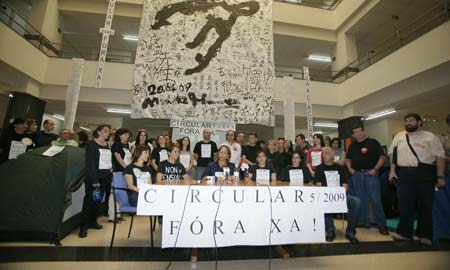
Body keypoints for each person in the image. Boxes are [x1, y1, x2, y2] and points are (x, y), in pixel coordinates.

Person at [389, 113, 446, 245]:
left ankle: (425, 234)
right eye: (406, 120)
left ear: (420, 122)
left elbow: (440, 157)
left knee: (424, 205)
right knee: (404, 205)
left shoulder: (430, 137)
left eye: (412, 120)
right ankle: (404, 233)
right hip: (403, 173)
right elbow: (393, 154)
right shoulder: (399, 136)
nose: (408, 122)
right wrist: (392, 171)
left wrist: (440, 176)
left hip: (424, 173)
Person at [346, 125, 389, 235]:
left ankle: (382, 225)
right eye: (356, 132)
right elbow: (348, 159)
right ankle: (364, 222)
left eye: (360, 131)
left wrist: (375, 169)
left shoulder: (373, 142)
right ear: (353, 135)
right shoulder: (352, 145)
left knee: (375, 200)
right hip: (357, 175)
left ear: (363, 132)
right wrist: (350, 169)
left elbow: (382, 157)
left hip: (371, 174)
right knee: (361, 200)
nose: (359, 133)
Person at [315, 147, 361, 244]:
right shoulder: (319, 168)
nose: (324, 155)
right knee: (325, 202)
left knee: (356, 201)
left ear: (332, 155)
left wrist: (339, 196)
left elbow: (345, 185)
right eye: (323, 153)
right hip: (325, 196)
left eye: (326, 153)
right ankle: (330, 230)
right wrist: (330, 195)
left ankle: (350, 232)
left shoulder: (340, 168)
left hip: (339, 196)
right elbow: (318, 185)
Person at [79, 124, 112, 238]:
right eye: (105, 131)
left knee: (97, 201)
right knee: (89, 202)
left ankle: (93, 222)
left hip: (104, 179)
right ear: (98, 132)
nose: (108, 133)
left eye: (108, 131)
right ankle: (83, 227)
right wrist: (94, 180)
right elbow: (90, 163)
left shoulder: (107, 145)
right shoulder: (91, 144)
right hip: (94, 179)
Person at [109, 128, 132, 222]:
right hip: (118, 172)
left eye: (128, 135)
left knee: (120, 193)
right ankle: (112, 215)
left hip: (124, 172)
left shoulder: (125, 145)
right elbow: (118, 157)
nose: (128, 136)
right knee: (114, 193)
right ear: (120, 135)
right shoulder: (116, 144)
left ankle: (118, 214)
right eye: (126, 135)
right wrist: (126, 168)